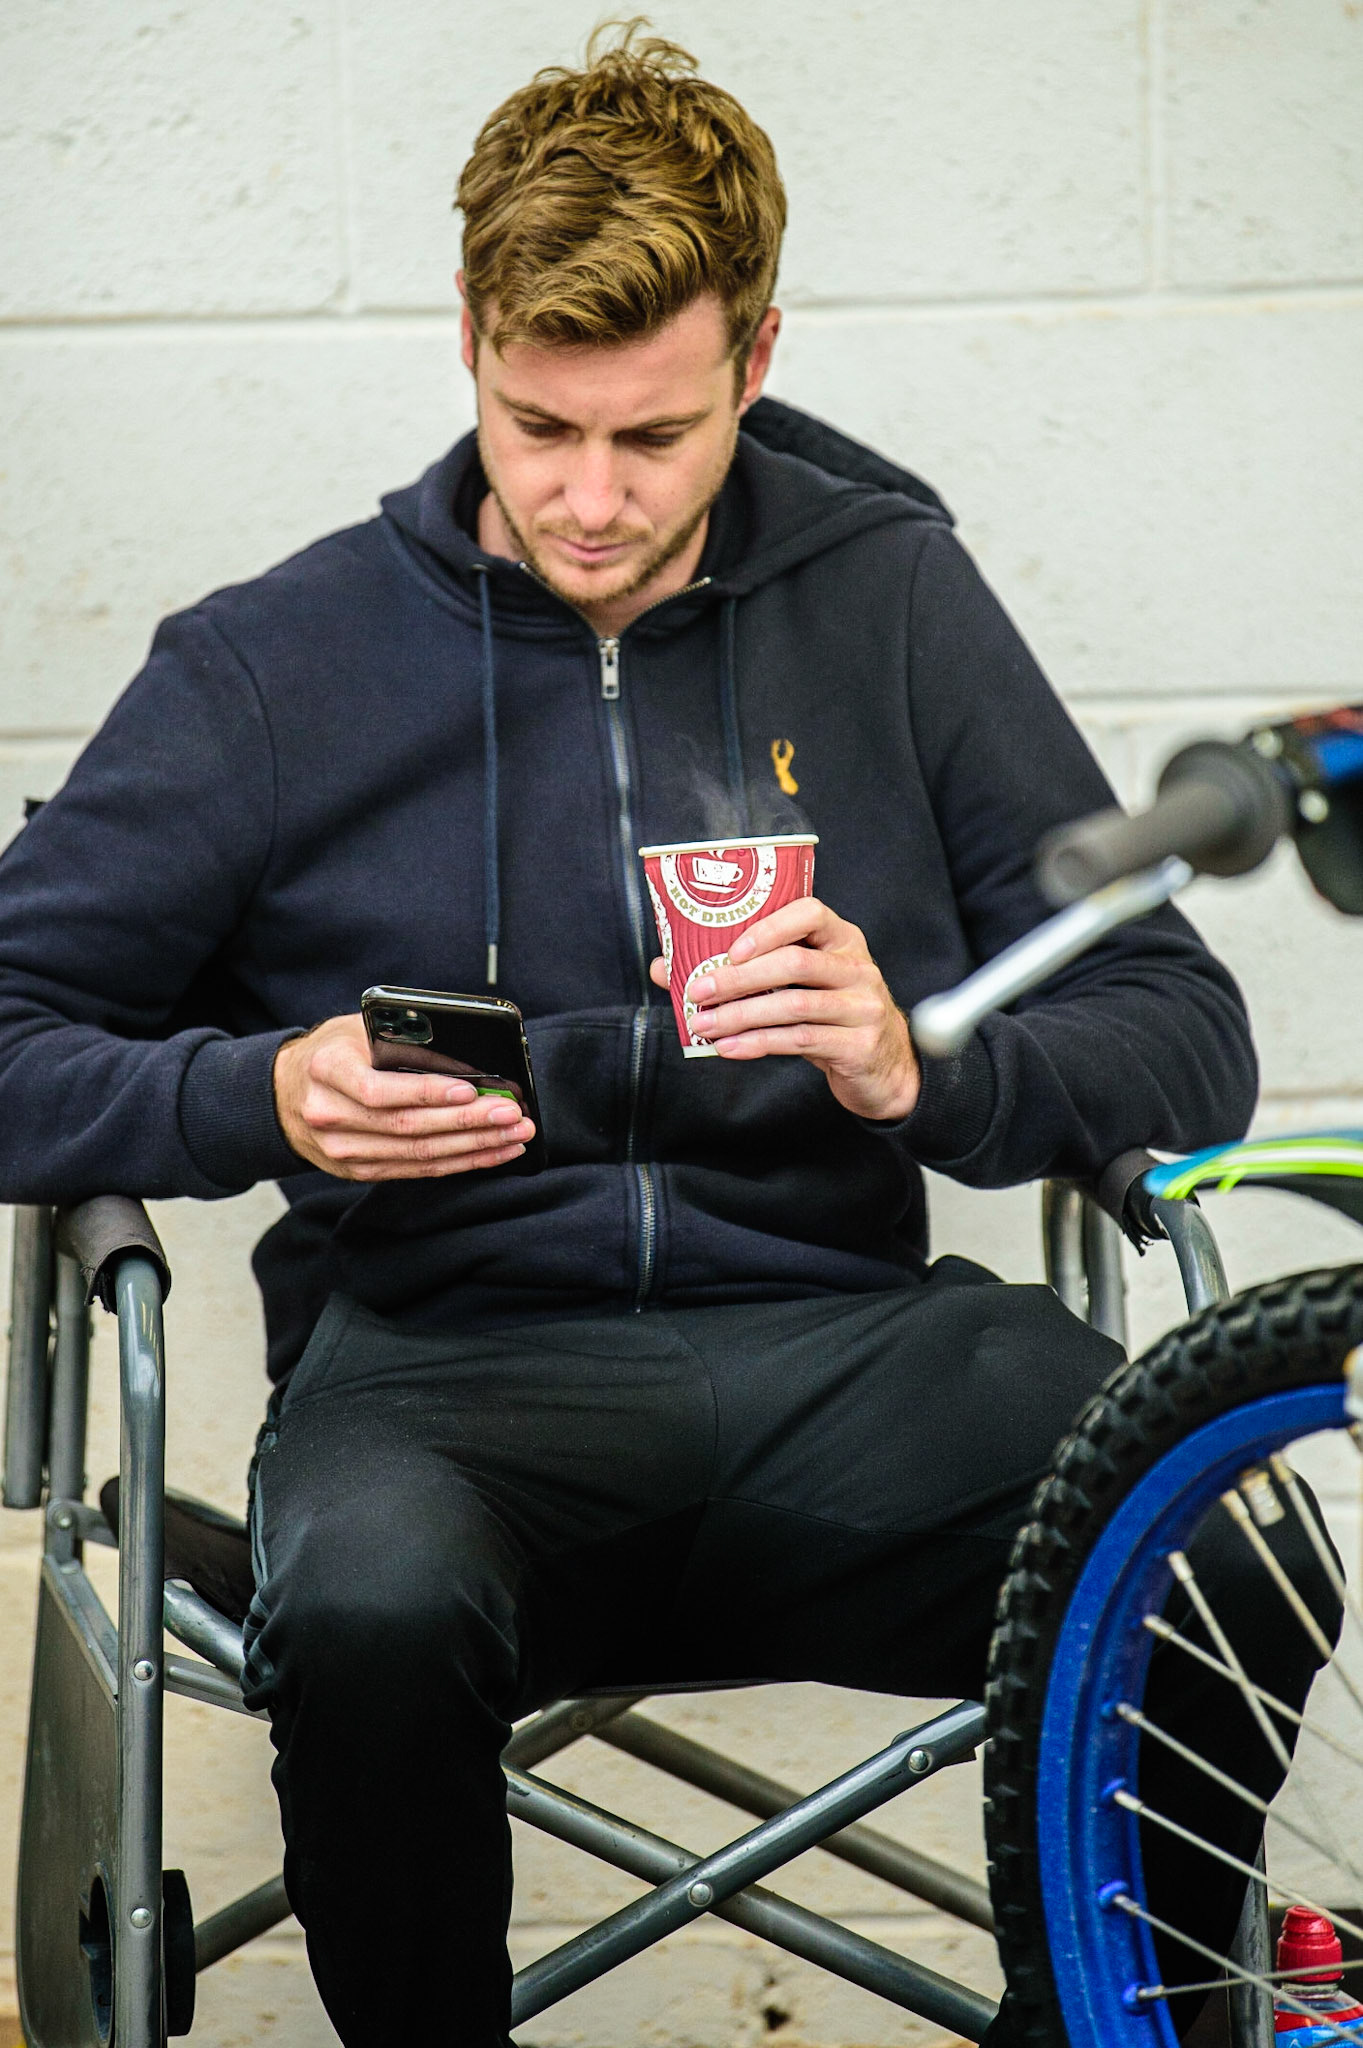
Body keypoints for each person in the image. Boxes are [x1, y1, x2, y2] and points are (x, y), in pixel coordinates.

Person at [0, 25, 1326, 2046]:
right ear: (465, 338)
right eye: (540, 427)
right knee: (359, 1610)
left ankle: (1115, 2024)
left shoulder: (888, 600)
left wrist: (925, 1069)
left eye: (655, 436)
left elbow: (1179, 1032)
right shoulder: (277, 664)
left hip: (845, 1356)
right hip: (444, 1375)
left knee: (1236, 1545)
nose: (590, 500)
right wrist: (248, 1091)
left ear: (756, 361)